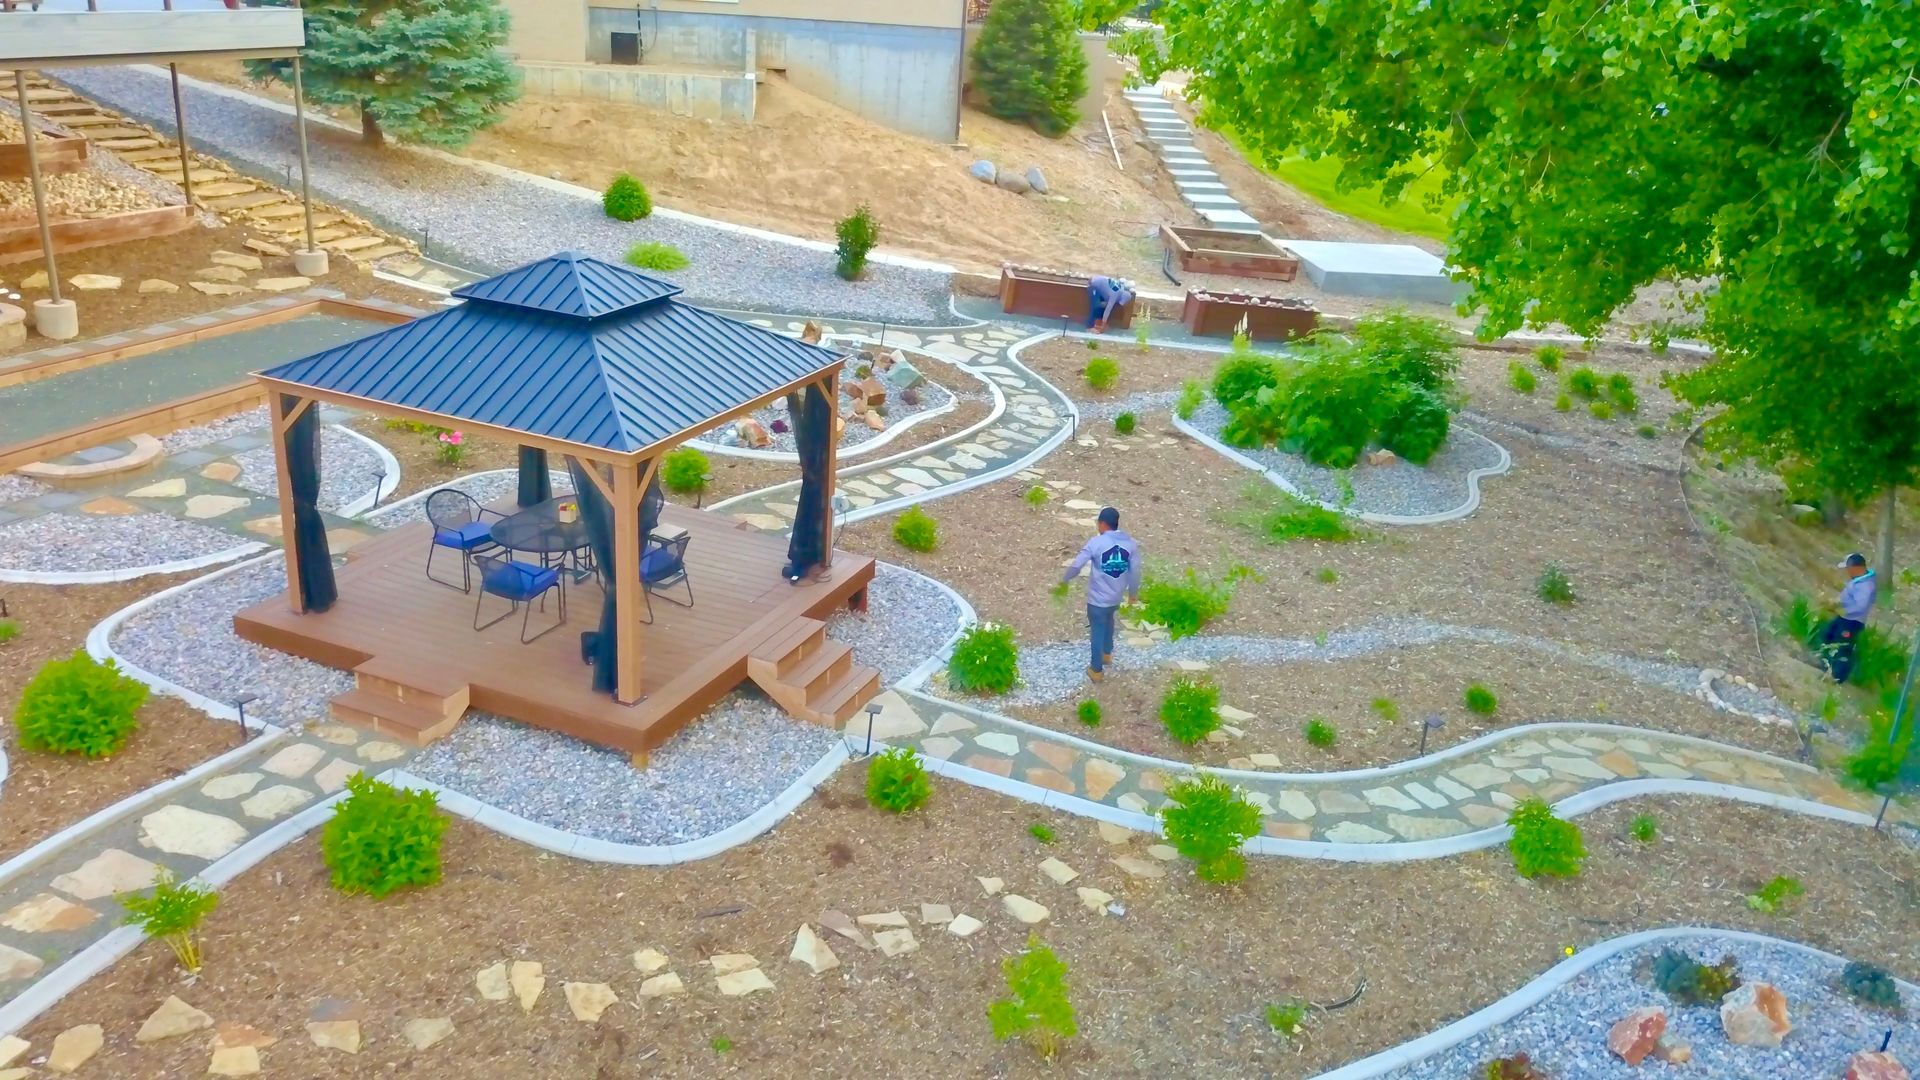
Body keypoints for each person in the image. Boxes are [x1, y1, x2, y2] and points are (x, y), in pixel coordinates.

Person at [1061, 506, 1141, 682]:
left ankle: (1096, 670)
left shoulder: (1096, 543)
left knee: (1097, 628)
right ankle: (1107, 653)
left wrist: (1065, 579)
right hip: (1115, 597)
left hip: (1098, 599)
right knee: (1109, 619)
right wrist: (1132, 594)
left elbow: (1077, 564)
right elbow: (1135, 572)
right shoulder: (1130, 543)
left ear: (1103, 524)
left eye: (1098, 523)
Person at [1820, 552, 1878, 683]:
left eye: (1847, 568)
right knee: (1828, 636)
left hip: (1852, 623)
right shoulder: (1857, 581)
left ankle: (1837, 677)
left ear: (1855, 568)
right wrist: (1835, 602)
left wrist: (1841, 608)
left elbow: (1860, 607)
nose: (1846, 571)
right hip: (1843, 618)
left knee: (1843, 648)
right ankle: (1826, 666)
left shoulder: (1866, 586)